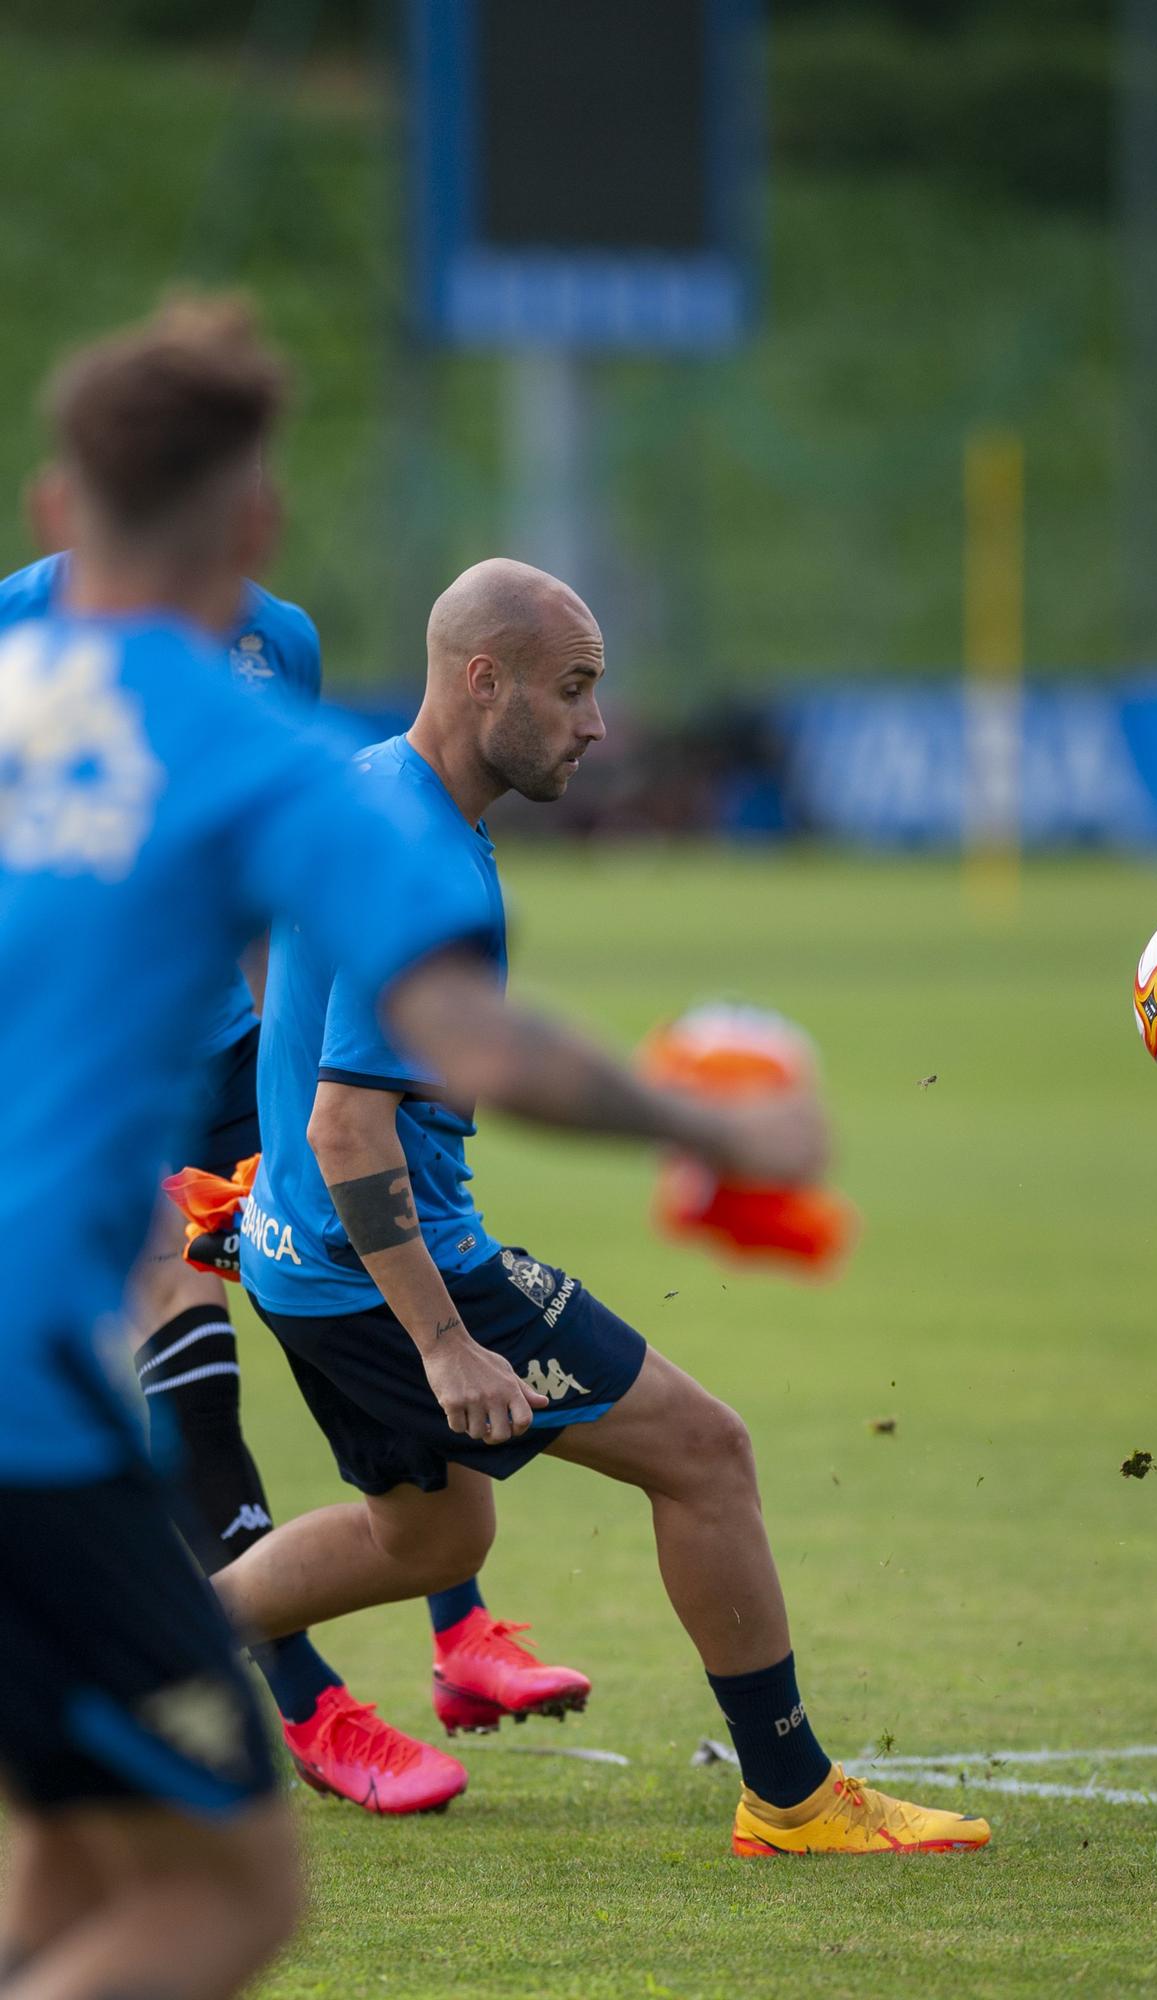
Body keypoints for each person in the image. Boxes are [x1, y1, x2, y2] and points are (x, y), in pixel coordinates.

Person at [0, 295, 828, 2000]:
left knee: (81, 1852)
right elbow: (457, 1045)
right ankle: (793, 1791)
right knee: (218, 1900)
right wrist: (722, 1123)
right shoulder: (259, 752)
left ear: (54, 510)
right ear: (256, 526)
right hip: (38, 1400)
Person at [225, 557, 993, 1859]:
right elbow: (348, 1122)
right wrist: (442, 1339)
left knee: (428, 1537)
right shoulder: (431, 863)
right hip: (390, 1264)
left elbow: (277, 978)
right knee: (704, 1453)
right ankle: (792, 1795)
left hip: (304, 1257)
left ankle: (102, 1660)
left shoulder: (359, 790)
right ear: (484, 682)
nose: (595, 725)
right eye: (572, 690)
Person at [0, 551, 590, 1821]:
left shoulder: (278, 635)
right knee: (192, 1358)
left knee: (361, 1295)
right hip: (97, 1063)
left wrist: (301, 1072)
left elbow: (275, 869)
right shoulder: (29, 621)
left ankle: (459, 1624)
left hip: (238, 1050)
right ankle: (308, 1702)